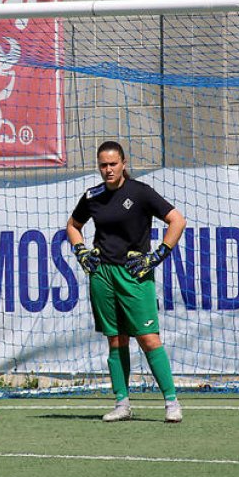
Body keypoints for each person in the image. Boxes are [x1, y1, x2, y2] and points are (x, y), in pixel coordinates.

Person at [66, 140, 187, 424]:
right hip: (102, 275)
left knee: (148, 338)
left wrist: (157, 256)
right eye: (103, 165)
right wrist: (80, 250)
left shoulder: (140, 192)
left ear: (123, 164)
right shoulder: (92, 195)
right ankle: (122, 403)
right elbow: (73, 226)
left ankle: (172, 402)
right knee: (116, 340)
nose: (108, 170)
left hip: (134, 275)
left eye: (113, 164)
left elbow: (177, 221)